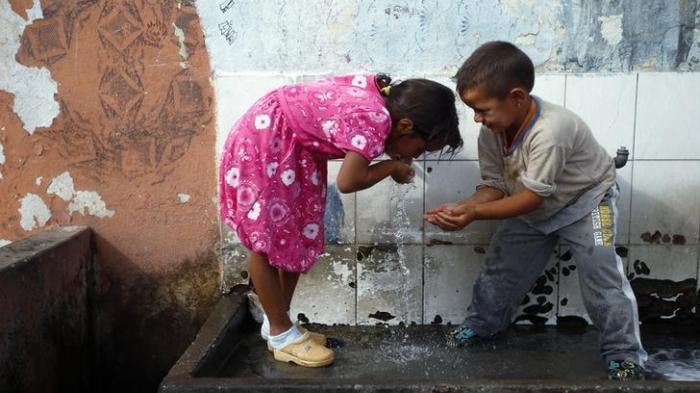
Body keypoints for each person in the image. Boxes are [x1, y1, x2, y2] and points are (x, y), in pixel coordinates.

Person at [425, 41, 647, 381]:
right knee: (501, 268)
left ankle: (625, 355)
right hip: (534, 206)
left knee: (603, 276)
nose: (477, 118)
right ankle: (483, 326)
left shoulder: (551, 131)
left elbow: (530, 199)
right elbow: (495, 186)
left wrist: (474, 216)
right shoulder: (493, 131)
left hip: (588, 203)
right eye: (473, 109)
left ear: (516, 97)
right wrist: (463, 207)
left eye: (482, 109)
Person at [220, 74, 462, 367]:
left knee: (294, 236)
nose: (416, 157)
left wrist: (396, 161)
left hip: (289, 146)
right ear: (406, 126)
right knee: (266, 243)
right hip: (267, 143)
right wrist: (391, 166)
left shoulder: (381, 104)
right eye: (420, 150)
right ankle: (282, 334)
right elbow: (349, 181)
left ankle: (277, 324)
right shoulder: (376, 119)